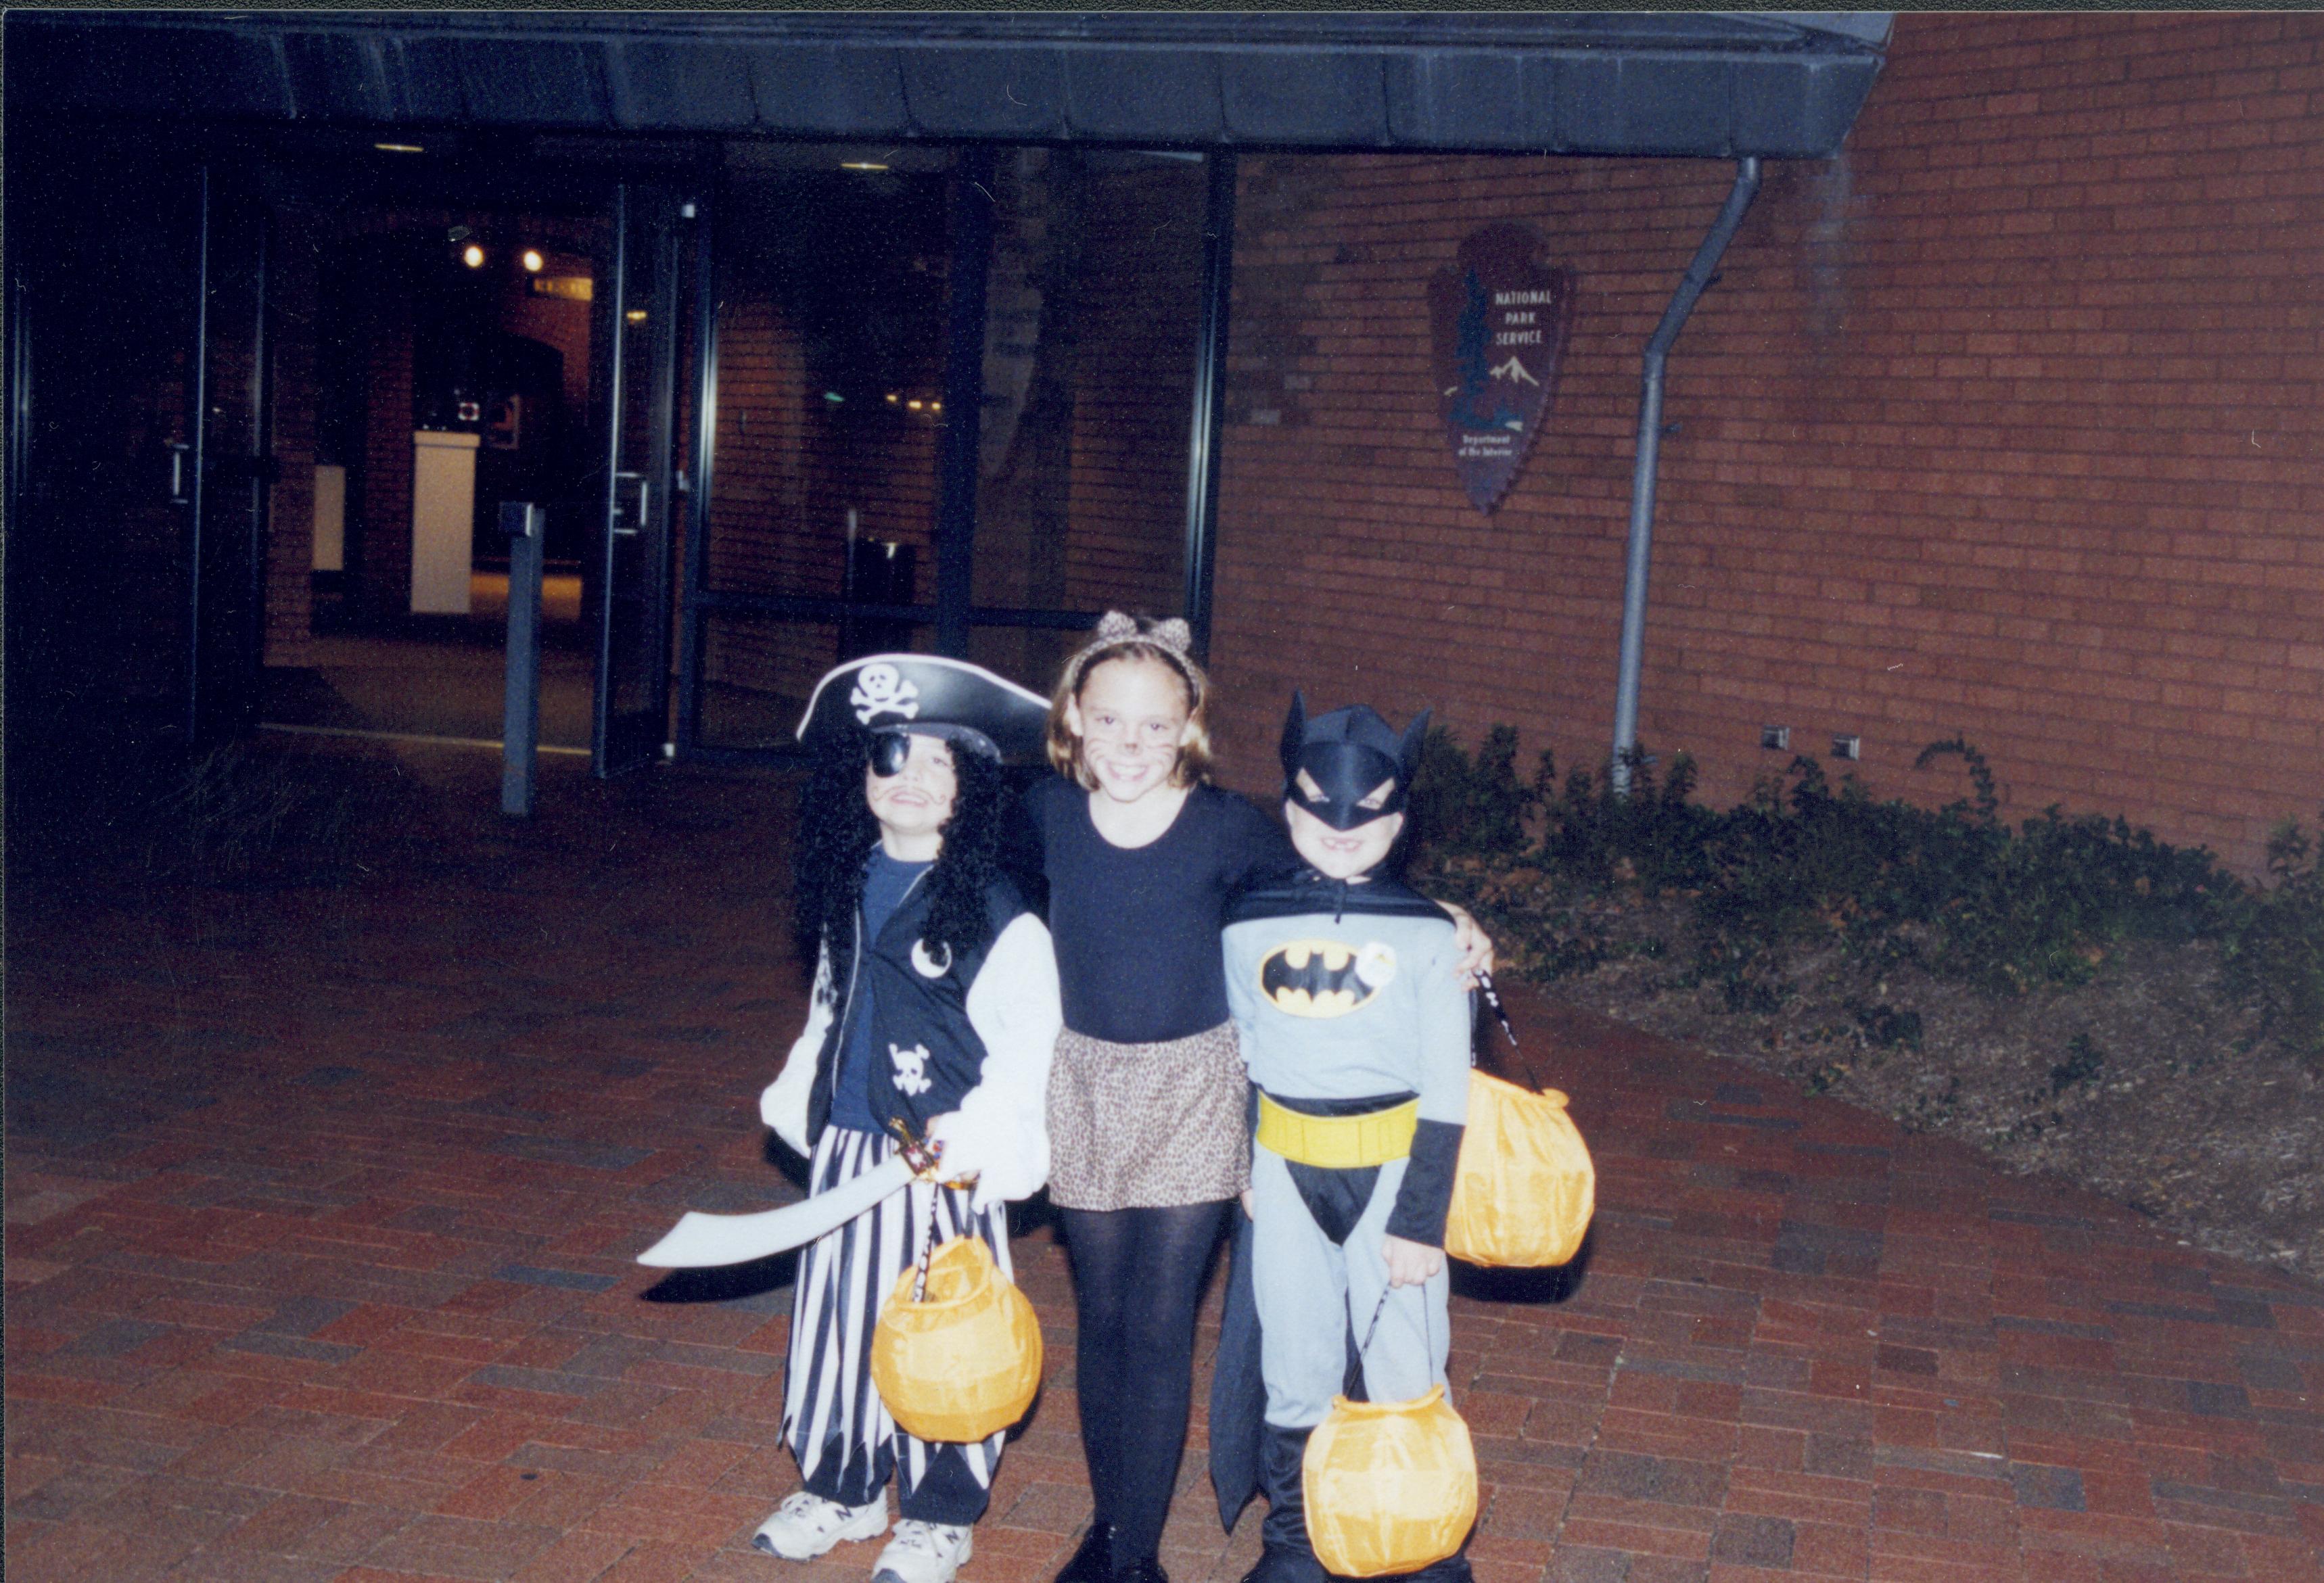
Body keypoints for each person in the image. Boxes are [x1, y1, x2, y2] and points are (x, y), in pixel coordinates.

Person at [1017, 614, 1493, 1583]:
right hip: (1087, 1086)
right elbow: (979, 896)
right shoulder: (1044, 814)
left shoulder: (1230, 826)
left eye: (1157, 726)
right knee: (1099, 1318)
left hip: (1197, 1085)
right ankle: (1109, 1531)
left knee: (1158, 1322)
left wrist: (1448, 912)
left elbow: (1339, 874)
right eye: (1110, 721)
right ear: (1074, 716)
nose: (1131, 745)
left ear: (1189, 726)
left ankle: (1140, 1554)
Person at [755, 655, 1064, 1583]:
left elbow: (1031, 1040)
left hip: (942, 1158)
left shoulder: (995, 911)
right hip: (851, 1144)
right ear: (860, 776)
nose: (913, 780)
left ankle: (939, 1510)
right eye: (892, 756)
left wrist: (980, 1131)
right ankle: (843, 1485)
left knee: (946, 1328)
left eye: (941, 763)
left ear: (970, 790)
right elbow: (830, 1001)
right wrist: (800, 1082)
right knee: (839, 1322)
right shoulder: (848, 885)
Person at [1218, 694, 1472, 1583]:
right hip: (1286, 1166)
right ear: (1287, 808)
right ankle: (1298, 1544)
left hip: (1396, 1168)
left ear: (1399, 821)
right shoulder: (1246, 920)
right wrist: (1241, 1159)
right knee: (1296, 1364)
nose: (1339, 828)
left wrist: (1420, 1216)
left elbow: (1447, 1087)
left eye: (1365, 816)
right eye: (1318, 808)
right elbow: (1237, 1048)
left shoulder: (1430, 935)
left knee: (1406, 1359)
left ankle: (1425, 1548)